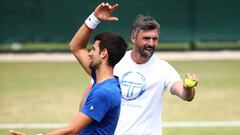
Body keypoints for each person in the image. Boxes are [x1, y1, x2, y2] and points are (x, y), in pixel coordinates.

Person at [78, 2, 199, 135]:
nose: (151, 43)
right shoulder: (115, 61)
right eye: (146, 38)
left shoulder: (163, 68)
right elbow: (89, 95)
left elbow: (185, 95)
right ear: (133, 38)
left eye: (155, 39)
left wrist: (188, 88)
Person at [9, 3, 128, 135]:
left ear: (104, 53)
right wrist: (95, 18)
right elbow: (76, 47)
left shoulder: (104, 92)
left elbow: (72, 130)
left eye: (93, 49)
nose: (89, 53)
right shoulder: (103, 79)